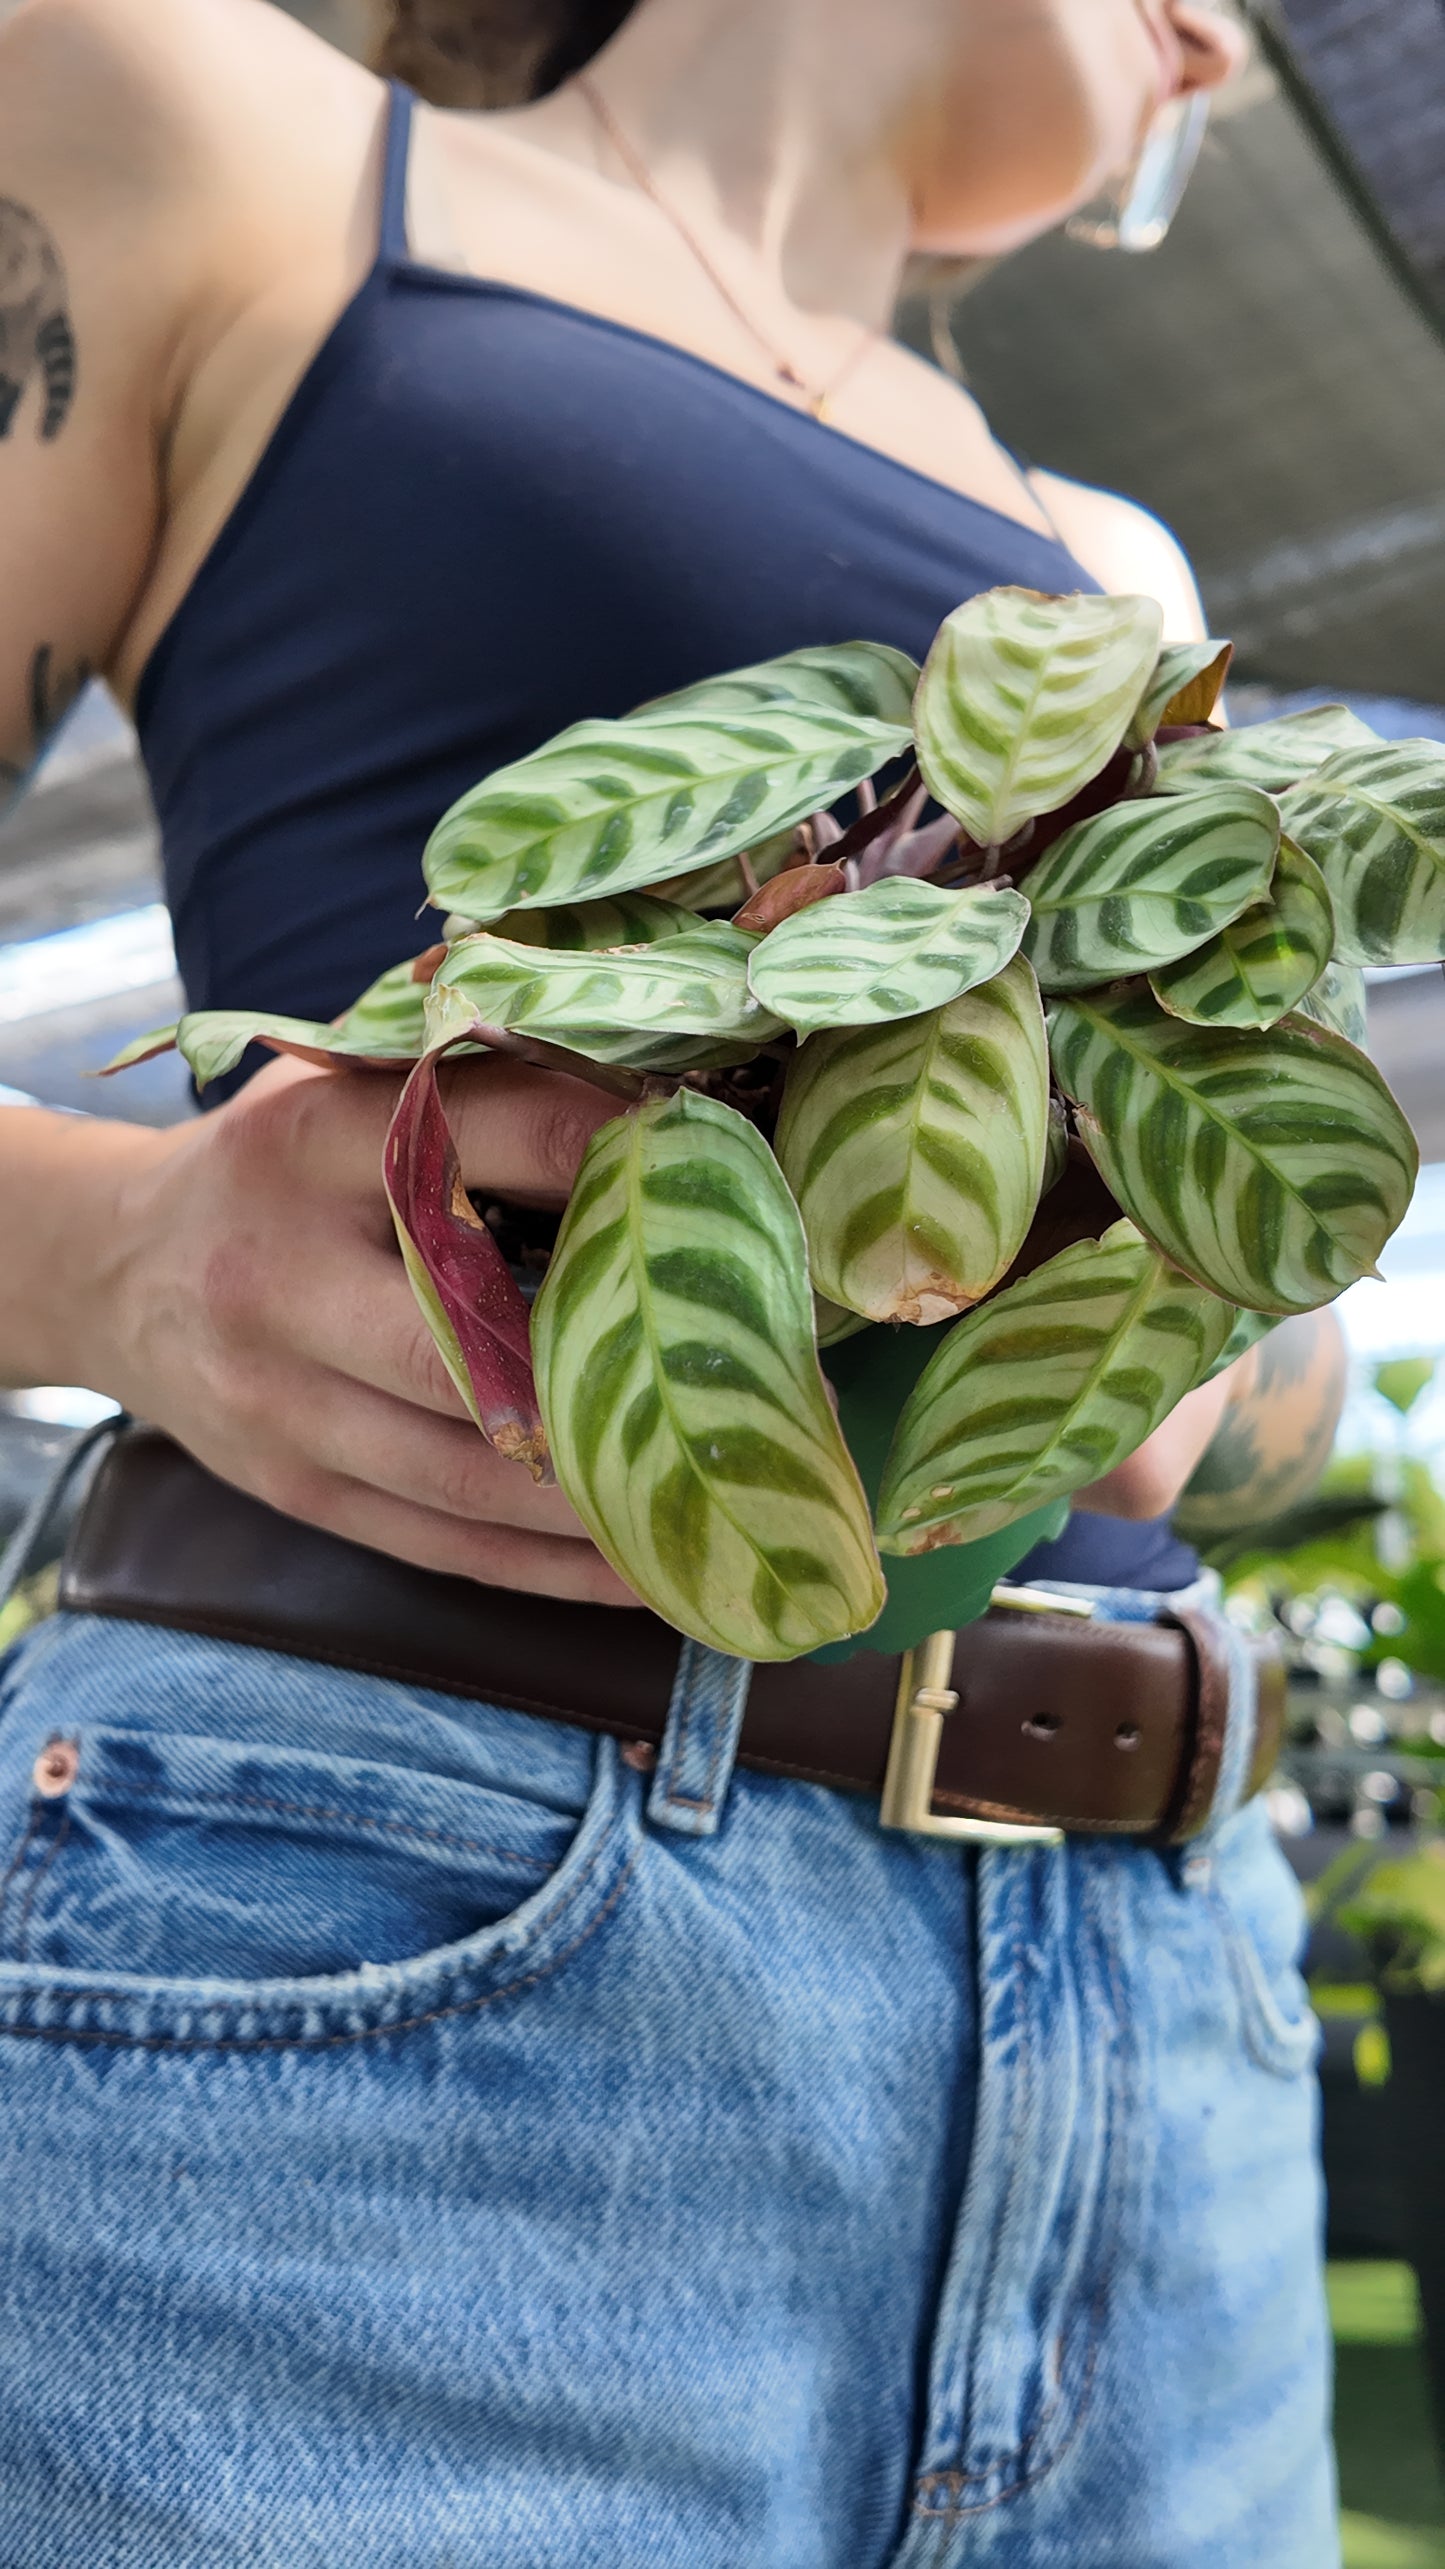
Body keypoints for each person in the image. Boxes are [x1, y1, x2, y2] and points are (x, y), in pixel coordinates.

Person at [0, 1, 1349, 2560]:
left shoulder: (1111, 573)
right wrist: (115, 1255)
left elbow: (1267, 1380)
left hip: (1160, 2019)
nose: (1229, 41)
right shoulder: (193, 129)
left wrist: (1180, 1329)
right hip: (394, 1933)